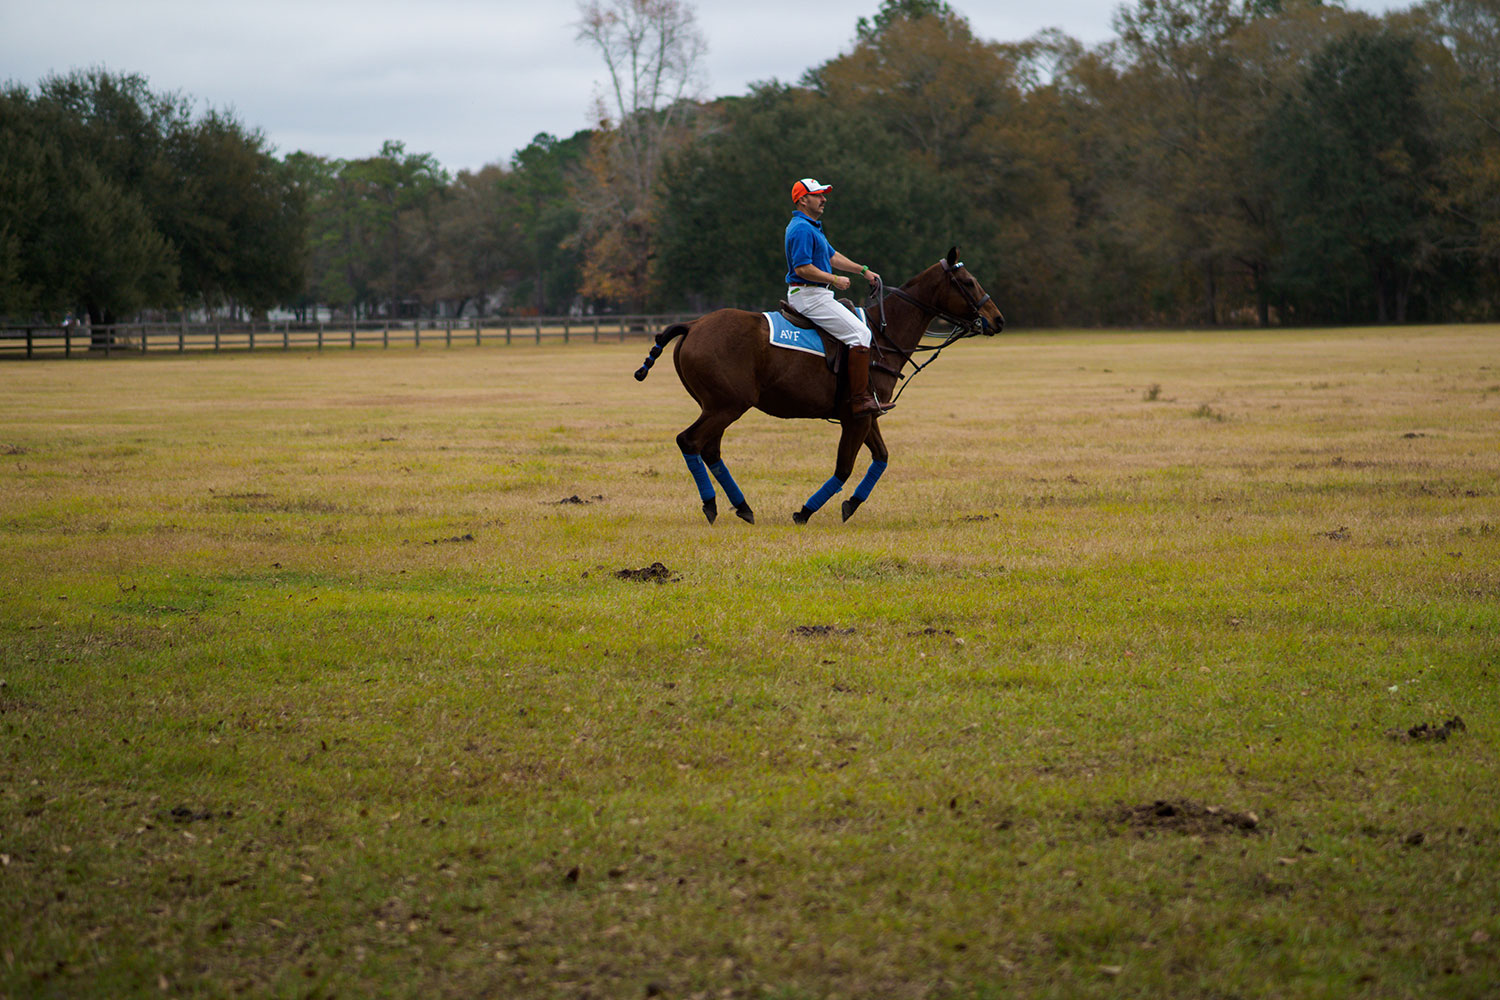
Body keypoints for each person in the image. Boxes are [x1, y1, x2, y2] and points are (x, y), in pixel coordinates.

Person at [784, 178, 893, 416]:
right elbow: (802, 268)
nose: (824, 199)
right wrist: (834, 280)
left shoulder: (811, 226)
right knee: (861, 333)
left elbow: (833, 257)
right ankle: (858, 400)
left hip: (816, 294)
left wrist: (863, 271)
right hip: (809, 295)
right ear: (803, 199)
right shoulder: (802, 228)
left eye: (824, 195)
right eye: (818, 195)